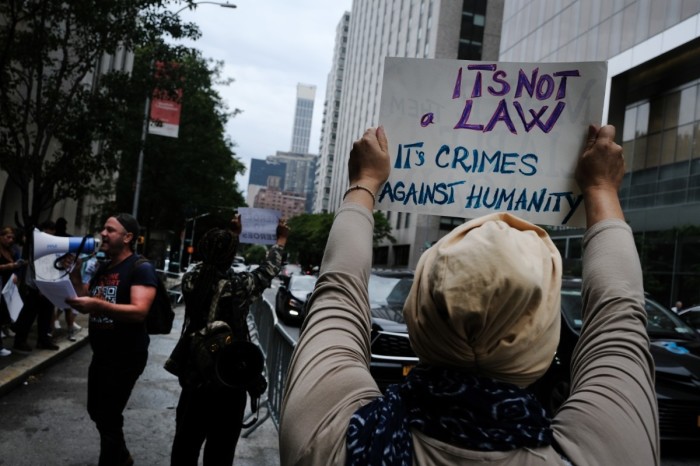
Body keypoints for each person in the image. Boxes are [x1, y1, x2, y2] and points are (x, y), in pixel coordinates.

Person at [279, 125, 660, 465]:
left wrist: (363, 182)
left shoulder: (328, 440)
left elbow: (337, 292)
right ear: (545, 340)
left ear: (416, 316)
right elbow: (619, 318)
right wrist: (600, 189)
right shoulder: (609, 455)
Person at [169, 215, 289, 466]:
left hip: (195, 377)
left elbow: (214, 260)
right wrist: (281, 240)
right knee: (220, 453)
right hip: (229, 379)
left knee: (185, 447)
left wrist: (231, 234)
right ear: (231, 255)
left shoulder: (191, 280)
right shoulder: (239, 285)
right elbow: (267, 271)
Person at [66, 213, 158, 466]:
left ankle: (112, 461)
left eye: (110, 230)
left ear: (128, 237)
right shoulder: (103, 265)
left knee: (108, 414)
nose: (103, 234)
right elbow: (86, 295)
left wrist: (98, 305)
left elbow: (140, 311)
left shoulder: (141, 268)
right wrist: (73, 274)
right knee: (96, 410)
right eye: (103, 229)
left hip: (126, 355)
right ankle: (122, 456)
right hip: (102, 353)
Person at [13, 220, 60, 352]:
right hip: (35, 286)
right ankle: (20, 341)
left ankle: (43, 340)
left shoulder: (52, 244)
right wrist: (40, 286)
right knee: (28, 315)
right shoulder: (36, 244)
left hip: (47, 286)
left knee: (46, 314)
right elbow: (35, 266)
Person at [54, 216, 81, 341]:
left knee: (67, 305)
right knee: (63, 305)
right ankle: (60, 328)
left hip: (64, 276)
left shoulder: (65, 238)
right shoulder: (63, 238)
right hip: (58, 276)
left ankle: (66, 329)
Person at [0, 226, 26, 356]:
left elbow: (17, 265)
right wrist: (9, 266)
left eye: (12, 238)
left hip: (7, 286)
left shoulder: (12, 250)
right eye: (7, 237)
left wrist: (16, 272)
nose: (10, 240)